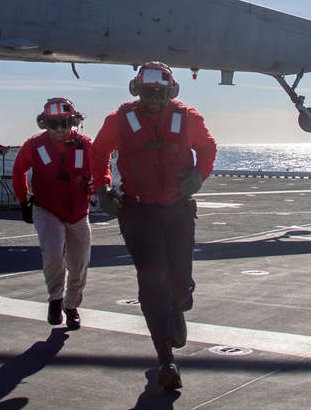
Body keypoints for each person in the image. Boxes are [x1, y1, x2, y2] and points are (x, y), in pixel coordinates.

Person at [90, 62, 217, 391]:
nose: (154, 100)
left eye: (160, 93)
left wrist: (199, 174)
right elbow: (98, 152)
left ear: (170, 92)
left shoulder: (187, 117)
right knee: (152, 281)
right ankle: (165, 358)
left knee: (180, 282)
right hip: (138, 211)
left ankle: (179, 305)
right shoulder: (120, 119)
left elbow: (207, 147)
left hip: (177, 211)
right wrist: (102, 188)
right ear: (137, 91)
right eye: (148, 93)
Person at [12, 97, 95, 330]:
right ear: (44, 124)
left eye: (65, 123)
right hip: (46, 210)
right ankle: (55, 300)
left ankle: (71, 305)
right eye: (54, 124)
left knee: (79, 264)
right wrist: (23, 201)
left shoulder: (85, 144)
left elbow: (101, 169)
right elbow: (19, 171)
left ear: (74, 122)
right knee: (53, 255)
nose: (59, 129)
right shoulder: (34, 145)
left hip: (78, 212)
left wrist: (97, 184)